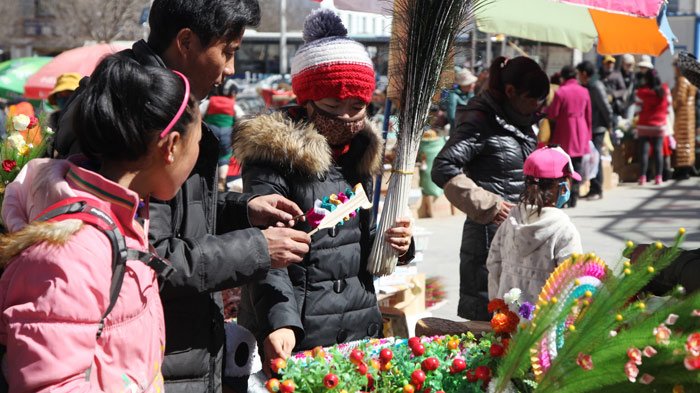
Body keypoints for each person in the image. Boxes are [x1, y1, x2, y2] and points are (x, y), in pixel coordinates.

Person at [50, 1, 312, 392]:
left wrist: (243, 211)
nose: (230, 71)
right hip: (148, 361)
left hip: (177, 348)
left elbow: (175, 216)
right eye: (228, 52)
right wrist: (256, 249)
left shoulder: (161, 102)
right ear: (186, 41)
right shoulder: (133, 110)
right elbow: (145, 258)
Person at [0, 54, 199, 392]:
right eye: (197, 142)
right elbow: (50, 385)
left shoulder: (123, 221)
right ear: (171, 146)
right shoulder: (71, 252)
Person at [234, 9, 414, 365]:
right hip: (298, 331)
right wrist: (281, 322)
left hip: (359, 325)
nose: (347, 117)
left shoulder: (360, 156)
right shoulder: (274, 158)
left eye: (358, 106)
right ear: (307, 101)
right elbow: (266, 252)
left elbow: (352, 237)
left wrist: (397, 244)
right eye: (333, 105)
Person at [431, 56, 549, 321]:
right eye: (533, 98)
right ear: (510, 92)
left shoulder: (520, 119)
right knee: (491, 323)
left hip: (519, 233)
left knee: (518, 321)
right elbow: (443, 166)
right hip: (489, 237)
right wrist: (488, 204)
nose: (537, 105)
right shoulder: (479, 121)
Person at [487, 145, 583, 304]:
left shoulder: (510, 221)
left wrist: (497, 304)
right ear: (562, 188)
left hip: (507, 319)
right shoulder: (564, 230)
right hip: (543, 324)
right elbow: (573, 281)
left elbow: (493, 263)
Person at [546, 64, 592, 207]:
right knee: (577, 165)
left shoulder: (561, 92)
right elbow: (589, 115)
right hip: (581, 130)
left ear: (563, 77)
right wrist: (588, 134)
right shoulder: (584, 91)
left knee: (563, 167)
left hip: (565, 130)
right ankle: (575, 197)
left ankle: (564, 198)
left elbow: (552, 114)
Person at [577, 60, 612, 201]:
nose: (578, 77)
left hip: (597, 128)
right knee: (591, 158)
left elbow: (605, 107)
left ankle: (597, 189)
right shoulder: (588, 86)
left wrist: (610, 125)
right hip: (591, 127)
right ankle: (593, 188)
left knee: (595, 157)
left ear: (585, 74)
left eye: (579, 74)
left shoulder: (596, 86)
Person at [634, 69, 672, 185]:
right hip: (659, 125)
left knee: (644, 152)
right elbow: (669, 106)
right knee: (658, 151)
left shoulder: (641, 92)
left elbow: (637, 109)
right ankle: (658, 177)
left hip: (644, 125)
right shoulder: (665, 90)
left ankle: (642, 177)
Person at [203, 79, 238, 191]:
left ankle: (207, 177)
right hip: (227, 133)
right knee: (224, 156)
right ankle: (221, 181)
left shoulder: (210, 101)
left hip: (211, 131)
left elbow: (197, 113)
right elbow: (242, 119)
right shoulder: (233, 105)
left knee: (207, 154)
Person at [671, 58, 697, 180]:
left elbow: (678, 99)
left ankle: (682, 170)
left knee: (682, 143)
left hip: (682, 116)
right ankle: (688, 167)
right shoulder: (691, 80)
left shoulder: (682, 81)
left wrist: (671, 106)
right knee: (688, 142)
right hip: (690, 116)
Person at [446, 68, 477, 134]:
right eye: (470, 83)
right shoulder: (453, 96)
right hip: (458, 131)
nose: (473, 85)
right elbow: (452, 117)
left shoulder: (470, 93)